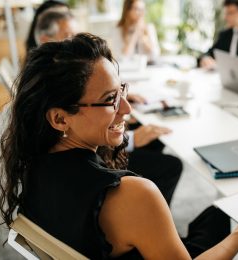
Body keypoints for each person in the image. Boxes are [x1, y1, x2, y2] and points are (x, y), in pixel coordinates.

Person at [0, 33, 238, 259]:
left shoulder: (32, 162)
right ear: (60, 118)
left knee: (218, 212)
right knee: (226, 218)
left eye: (122, 90)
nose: (126, 109)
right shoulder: (135, 196)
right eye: (110, 99)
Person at [32, 5, 182, 206]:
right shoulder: (50, 89)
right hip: (110, 170)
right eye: (69, 36)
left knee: (156, 141)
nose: (75, 42)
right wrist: (133, 139)